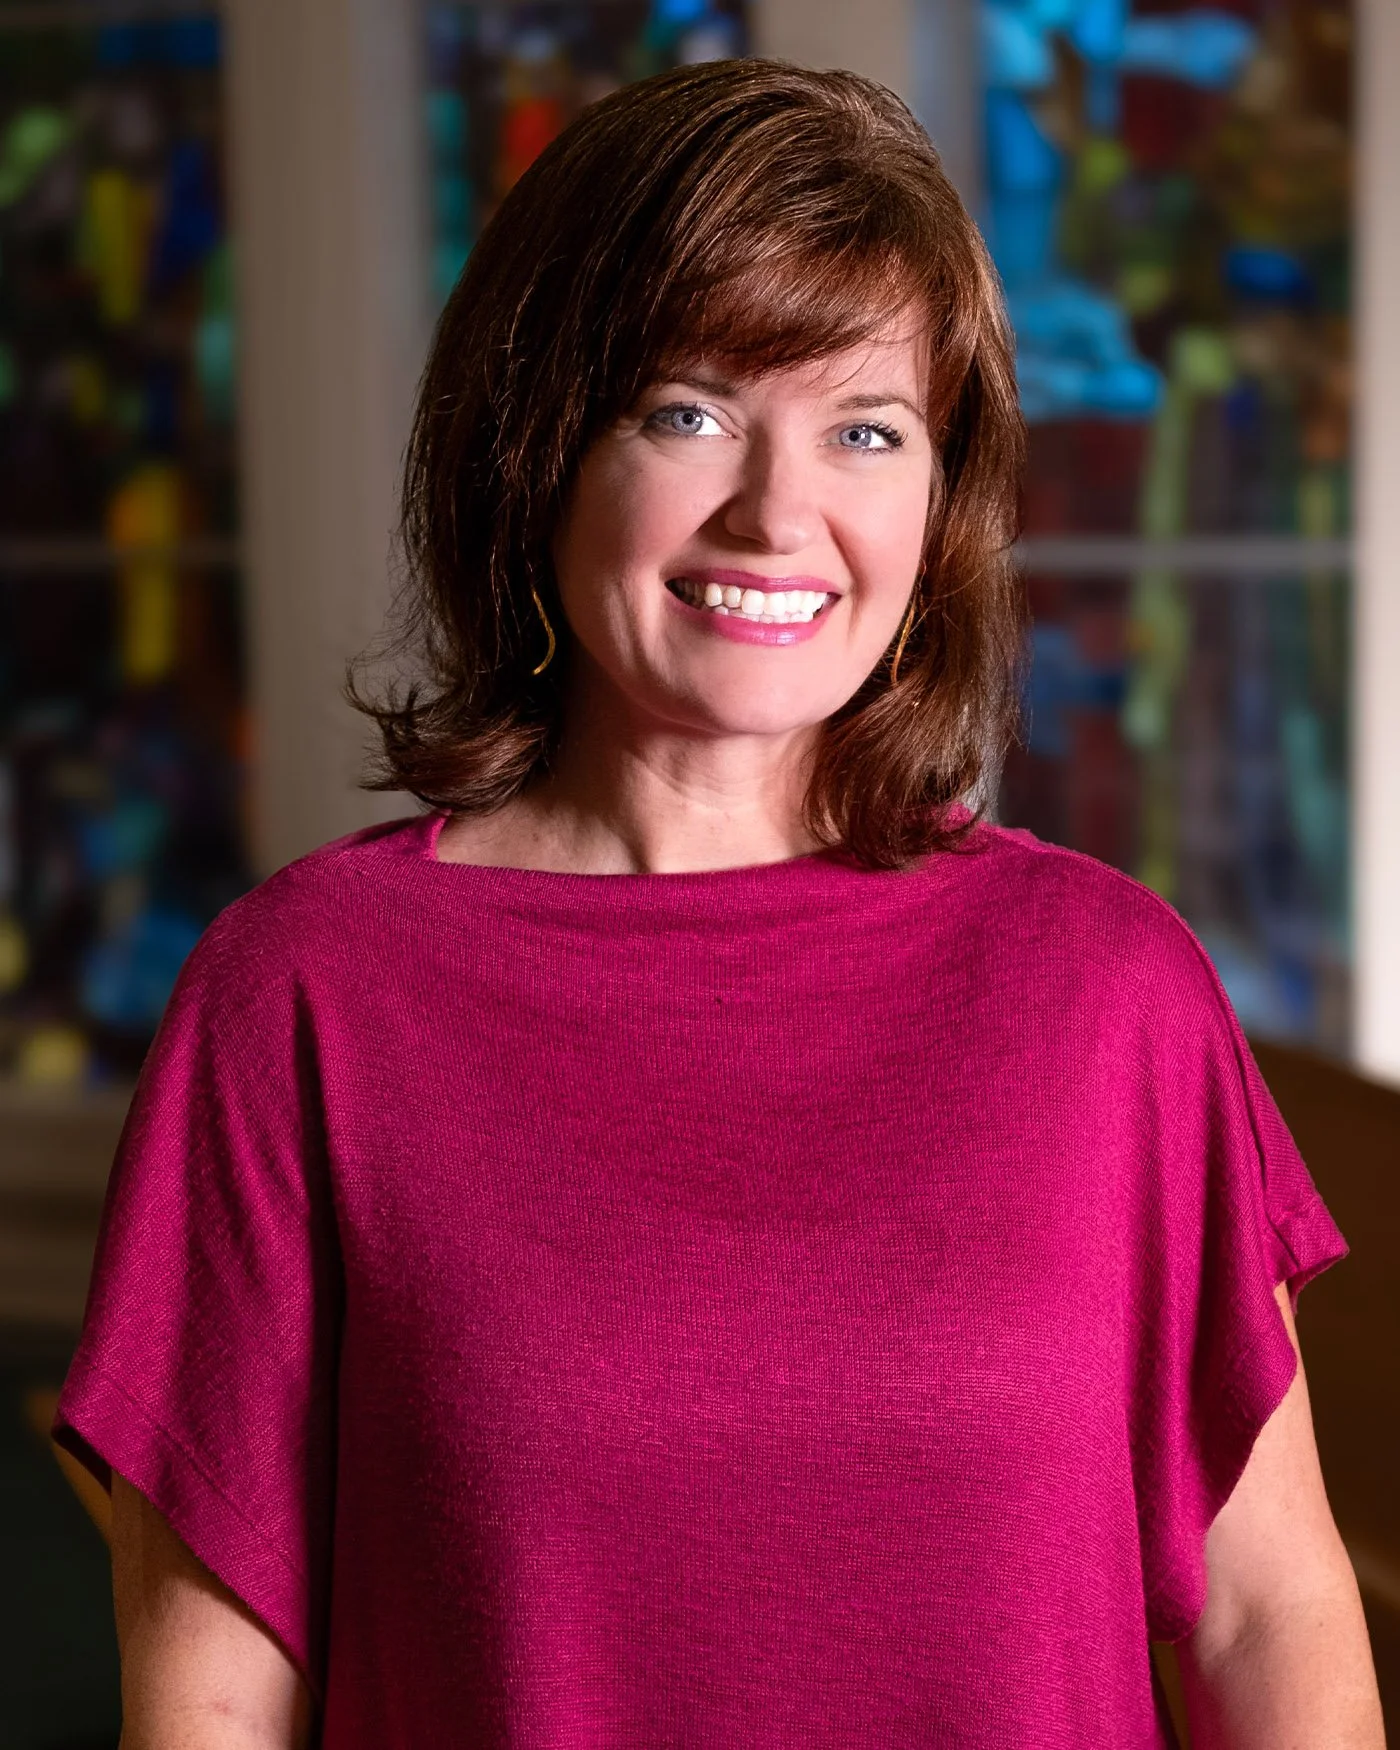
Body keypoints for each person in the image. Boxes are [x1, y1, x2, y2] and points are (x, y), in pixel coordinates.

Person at [55, 58, 1383, 1749]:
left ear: (938, 500)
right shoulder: (302, 998)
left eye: (866, 429)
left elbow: (1271, 1617)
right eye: (686, 410)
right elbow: (210, 1707)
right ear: (537, 446)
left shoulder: (1108, 990)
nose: (779, 510)